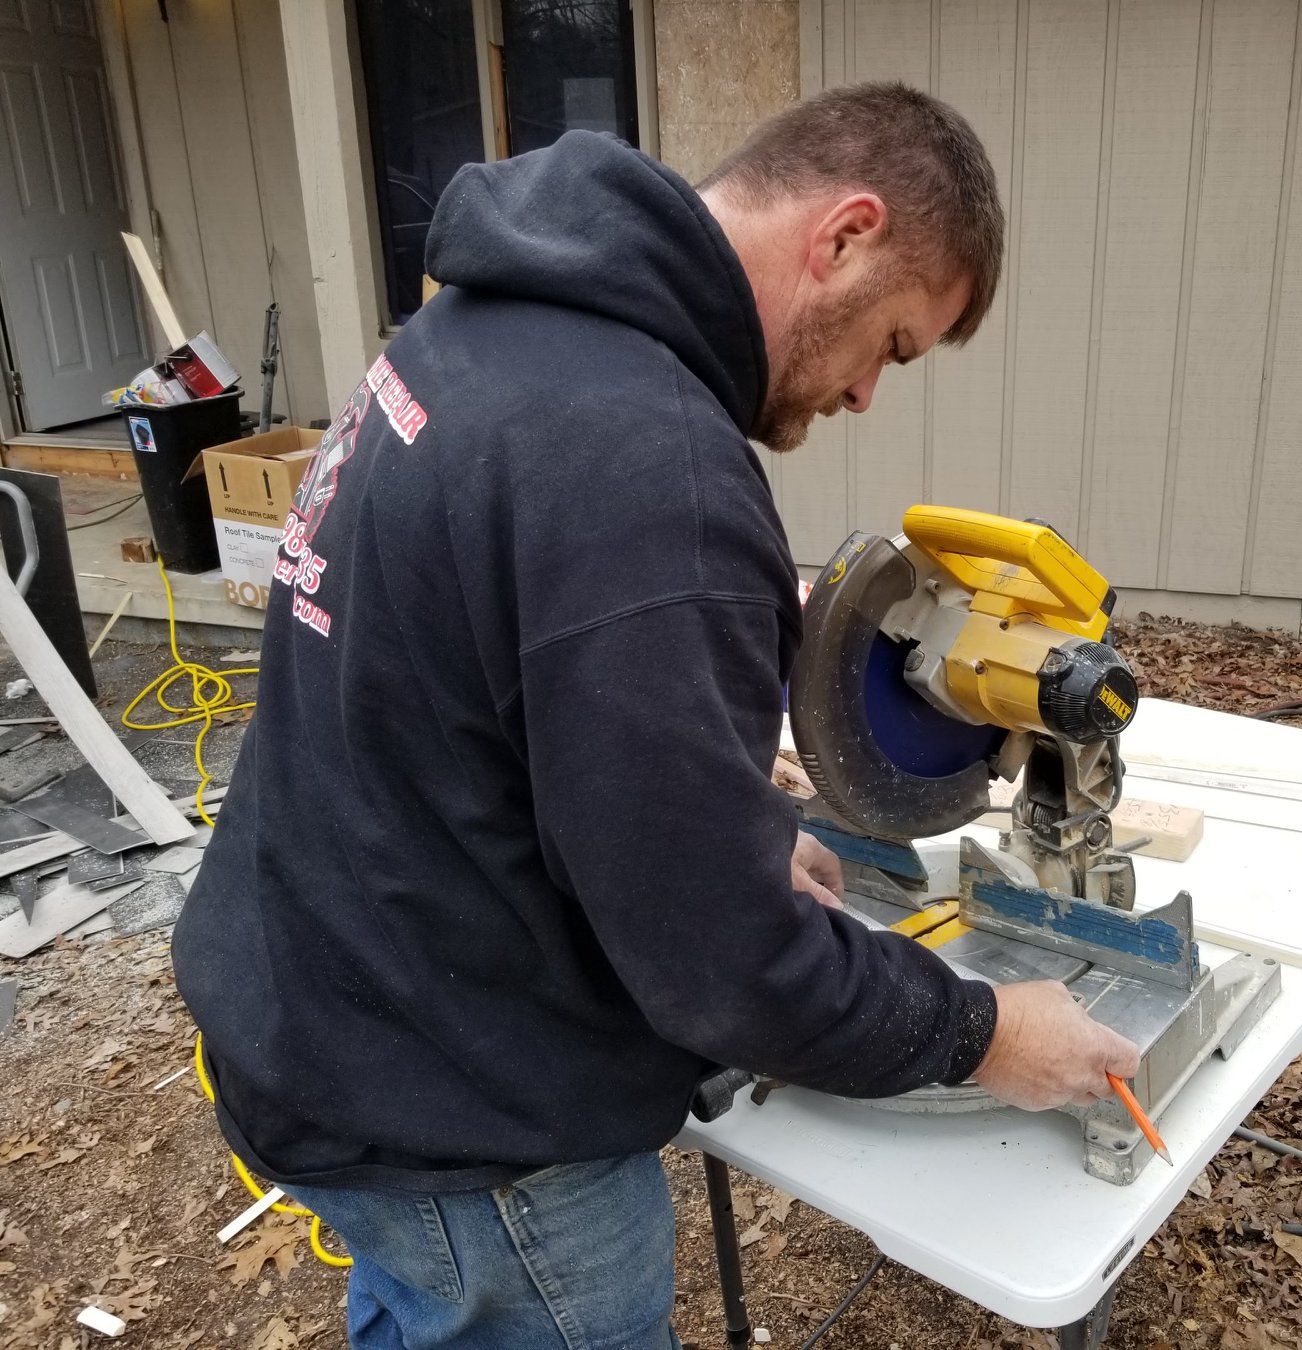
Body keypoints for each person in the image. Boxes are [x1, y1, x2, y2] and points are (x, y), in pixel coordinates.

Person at [173, 82, 1138, 1349]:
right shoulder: (650, 471)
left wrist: (703, 830)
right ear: (844, 234)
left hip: (321, 999)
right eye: (892, 347)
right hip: (472, 1122)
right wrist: (985, 1030)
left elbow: (471, 698)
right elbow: (726, 967)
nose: (864, 398)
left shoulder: (476, 326)